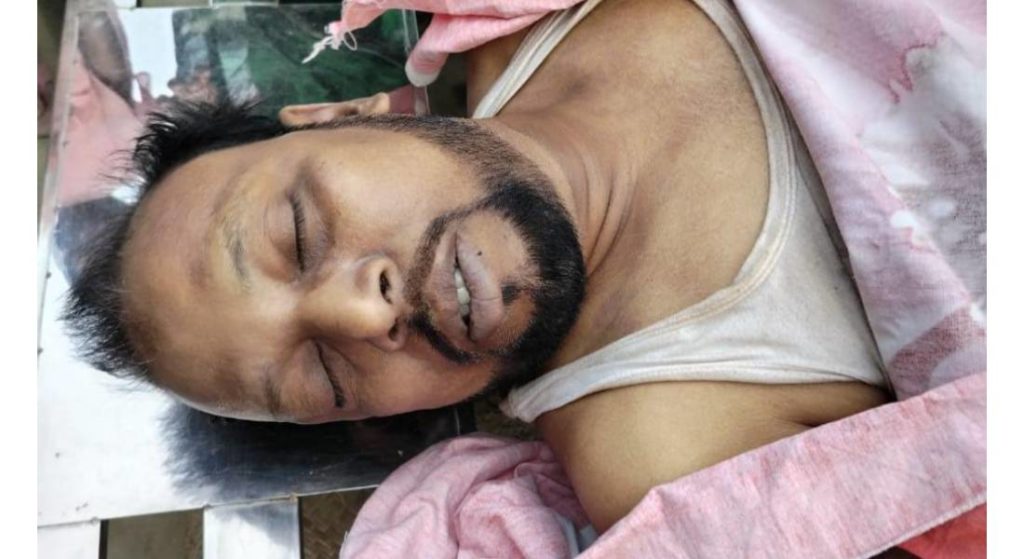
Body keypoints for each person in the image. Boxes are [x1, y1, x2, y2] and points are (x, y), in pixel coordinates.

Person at [63, 0, 891, 532]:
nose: (364, 314)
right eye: (326, 376)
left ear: (341, 114)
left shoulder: (533, 13)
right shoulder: (670, 457)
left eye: (301, 234)